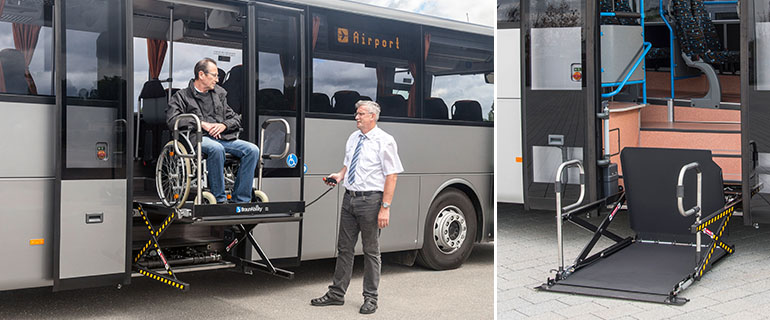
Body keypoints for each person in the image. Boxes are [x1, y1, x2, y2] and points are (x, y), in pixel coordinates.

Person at [311, 100, 404, 314]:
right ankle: (336, 294)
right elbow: (348, 163)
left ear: (373, 116)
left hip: (371, 201)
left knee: (371, 251)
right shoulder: (354, 138)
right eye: (357, 113)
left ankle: (371, 298)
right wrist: (339, 175)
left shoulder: (385, 141)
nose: (357, 117)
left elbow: (392, 175)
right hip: (349, 198)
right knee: (344, 248)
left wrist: (385, 207)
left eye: (361, 114)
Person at [166, 58, 259, 203]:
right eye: (214, 75)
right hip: (196, 139)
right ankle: (219, 199)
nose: (217, 79)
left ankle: (241, 199)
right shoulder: (181, 96)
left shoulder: (220, 94)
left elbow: (235, 118)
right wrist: (201, 124)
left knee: (252, 150)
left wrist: (224, 125)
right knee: (216, 149)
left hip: (222, 137)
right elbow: (172, 120)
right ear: (201, 74)